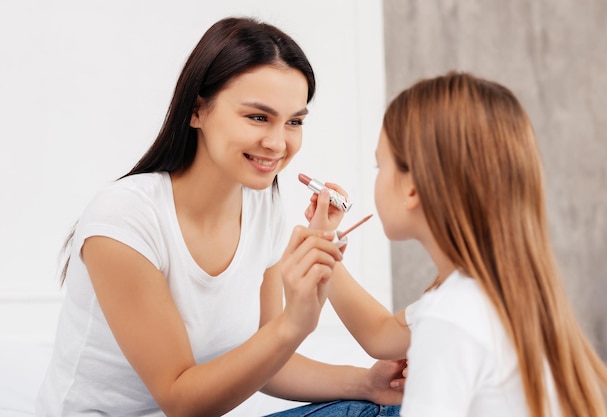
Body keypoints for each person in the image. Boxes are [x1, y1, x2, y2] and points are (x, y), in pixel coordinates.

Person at [36, 17, 404, 417]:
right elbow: (180, 401)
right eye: (258, 117)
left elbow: (264, 359)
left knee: (385, 409)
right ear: (197, 110)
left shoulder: (262, 207)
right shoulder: (125, 219)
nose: (278, 143)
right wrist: (294, 324)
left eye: (294, 121)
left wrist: (367, 383)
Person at [305, 72, 607, 417]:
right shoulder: (502, 294)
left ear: (412, 188)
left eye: (379, 165)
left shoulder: (449, 315)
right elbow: (380, 335)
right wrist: (323, 245)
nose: (376, 177)